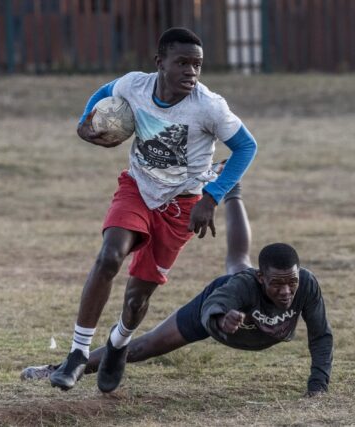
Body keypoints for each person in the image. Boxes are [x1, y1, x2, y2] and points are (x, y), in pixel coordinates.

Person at [50, 27, 258, 392]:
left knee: (136, 299)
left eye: (197, 65)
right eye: (182, 63)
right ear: (159, 63)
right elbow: (104, 93)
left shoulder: (209, 106)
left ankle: (118, 341)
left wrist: (211, 198)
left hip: (182, 207)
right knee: (110, 256)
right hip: (138, 188)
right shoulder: (135, 86)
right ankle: (78, 354)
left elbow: (246, 147)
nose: (191, 72)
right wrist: (85, 123)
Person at [24, 189, 333, 396]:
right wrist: (221, 320)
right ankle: (57, 369)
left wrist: (317, 386)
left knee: (238, 259)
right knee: (143, 347)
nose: (286, 291)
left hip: (248, 319)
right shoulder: (242, 286)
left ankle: (233, 190)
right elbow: (216, 304)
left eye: (291, 282)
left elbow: (321, 336)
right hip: (214, 316)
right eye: (277, 284)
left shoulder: (306, 286)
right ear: (261, 279)